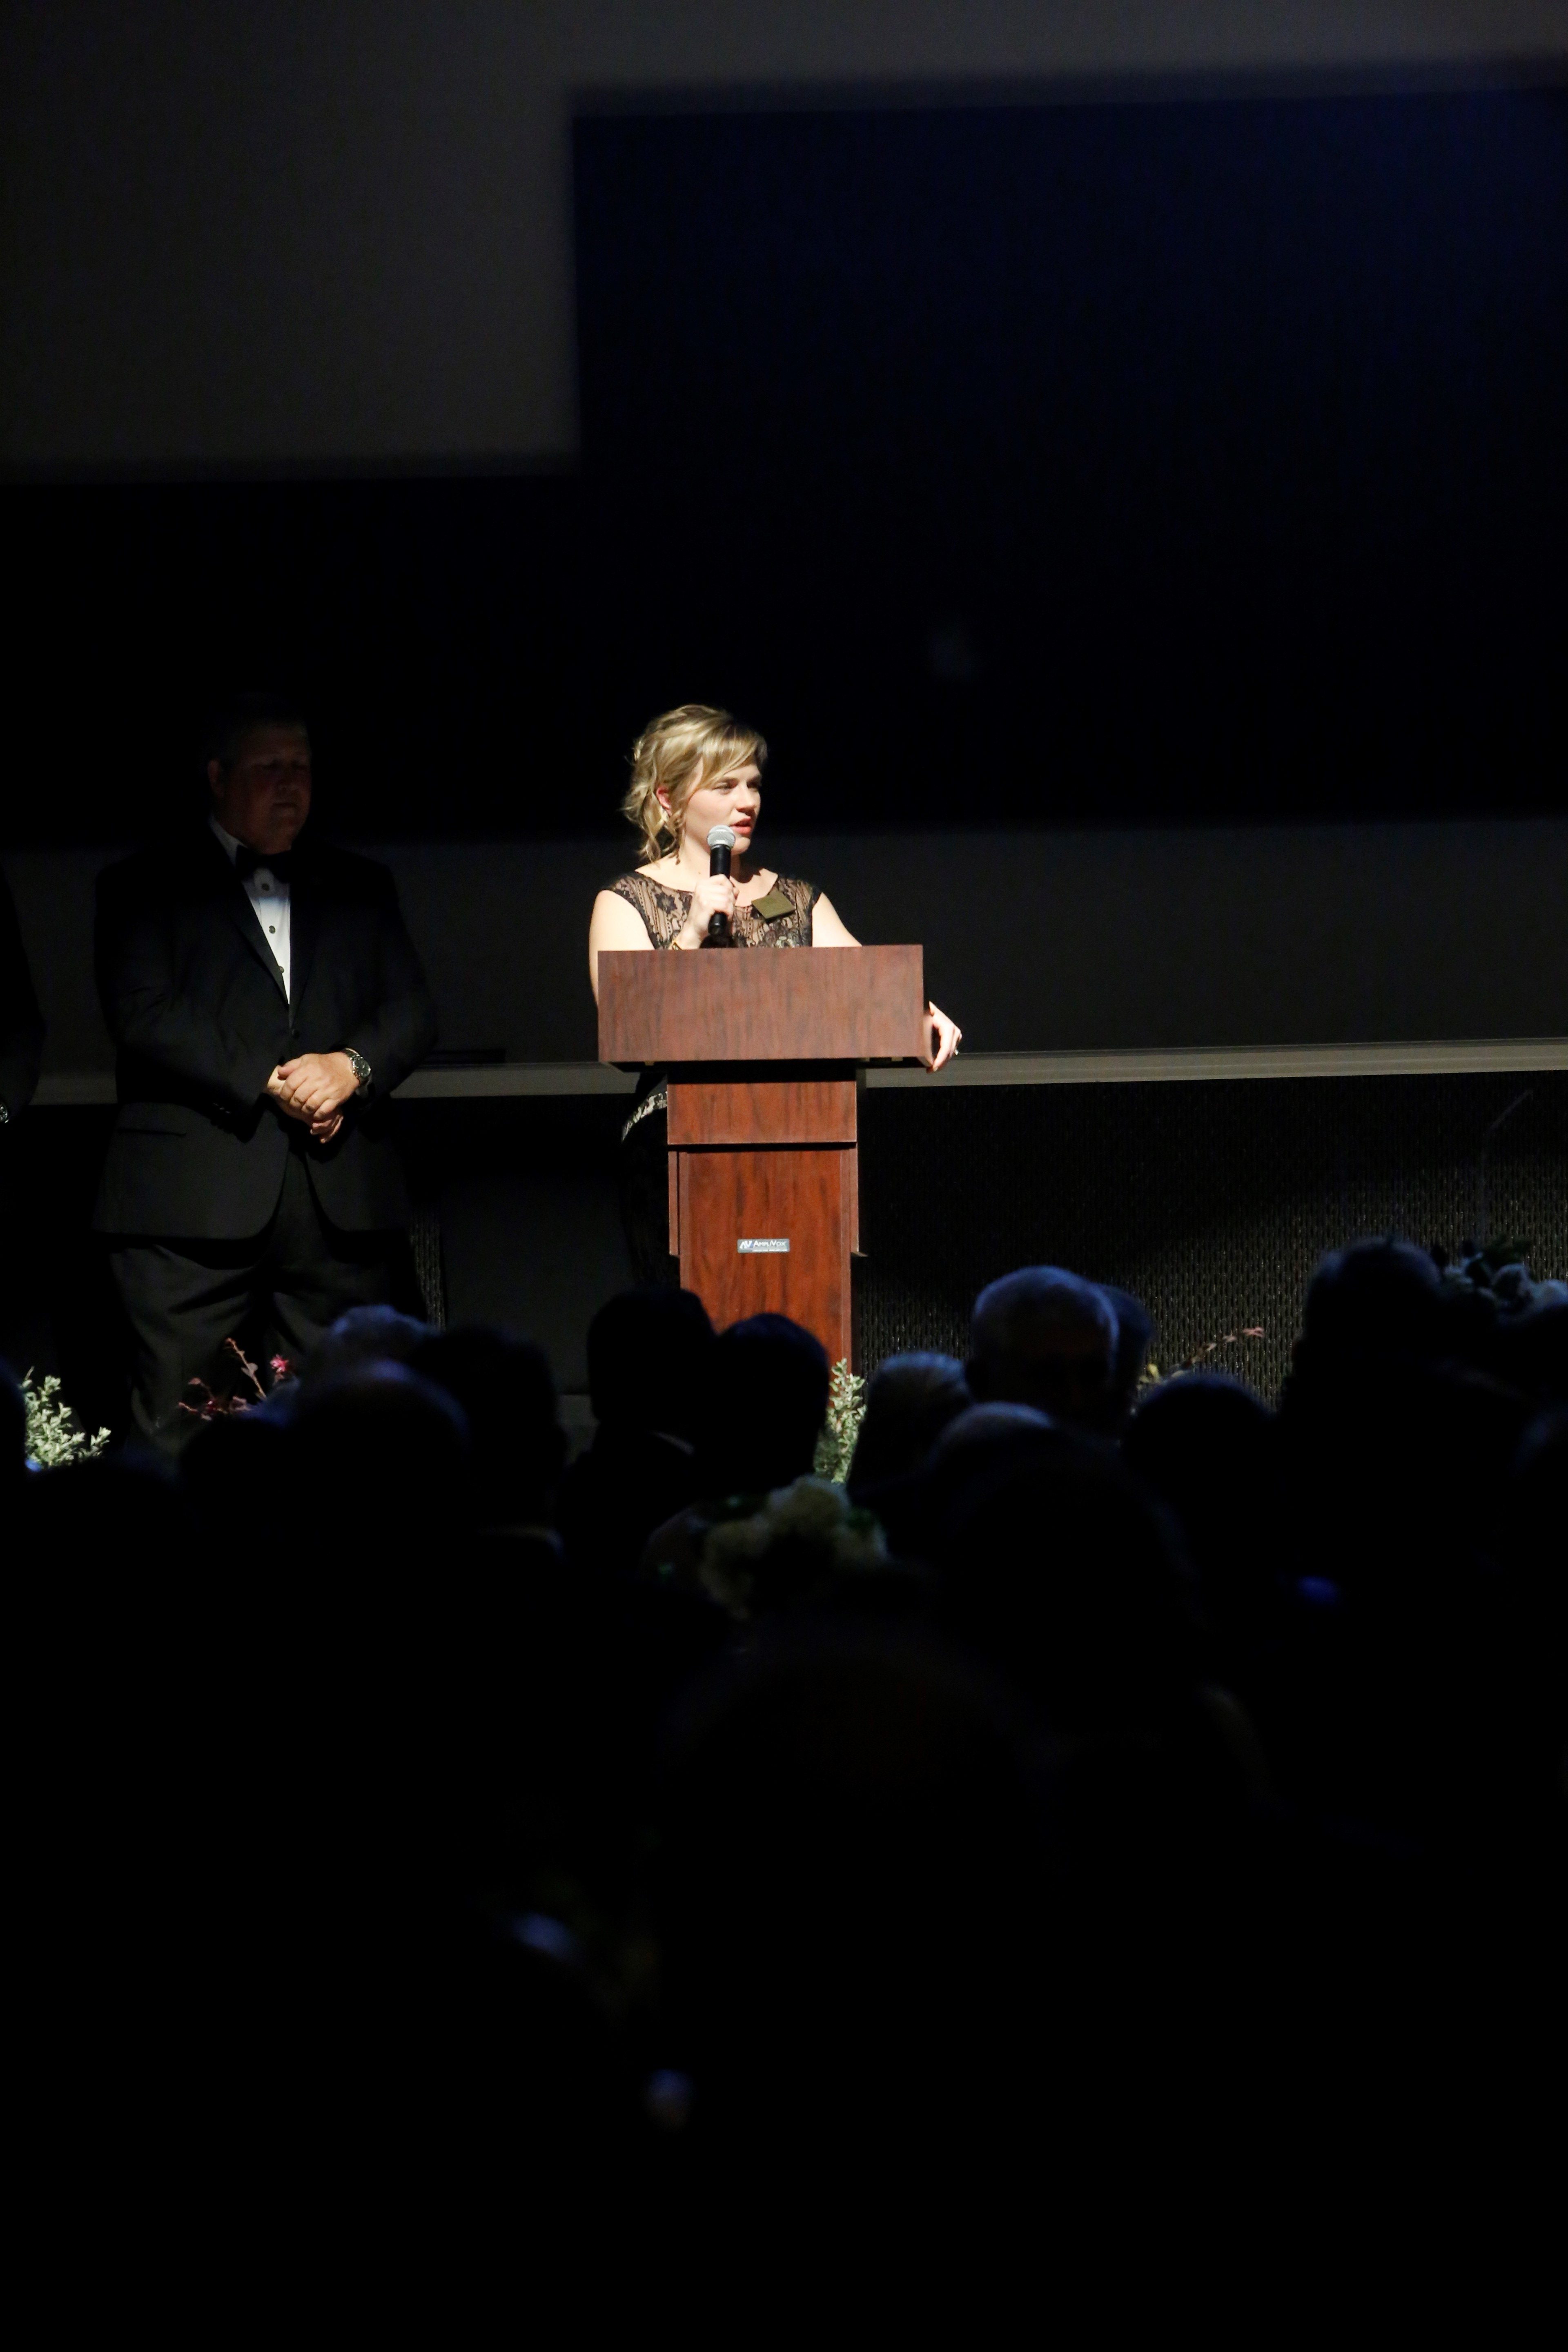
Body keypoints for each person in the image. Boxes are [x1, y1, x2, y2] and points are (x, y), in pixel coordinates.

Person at [92, 693, 438, 1450]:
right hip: (192, 1208)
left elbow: (413, 1011)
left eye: (304, 768)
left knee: (357, 1424)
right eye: (270, 767)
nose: (292, 784)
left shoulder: (360, 884)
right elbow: (144, 1014)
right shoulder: (141, 885)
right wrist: (273, 1077)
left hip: (337, 1201)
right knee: (178, 1429)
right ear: (217, 777)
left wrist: (351, 1068)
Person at [586, 704, 961, 1281]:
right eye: (726, 785)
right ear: (668, 798)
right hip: (674, 1149)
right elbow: (628, 1034)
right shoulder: (627, 900)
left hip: (802, 1142)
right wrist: (690, 931)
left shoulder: (792, 898)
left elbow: (871, 984)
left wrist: (923, 1012)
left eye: (754, 785)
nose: (748, 802)